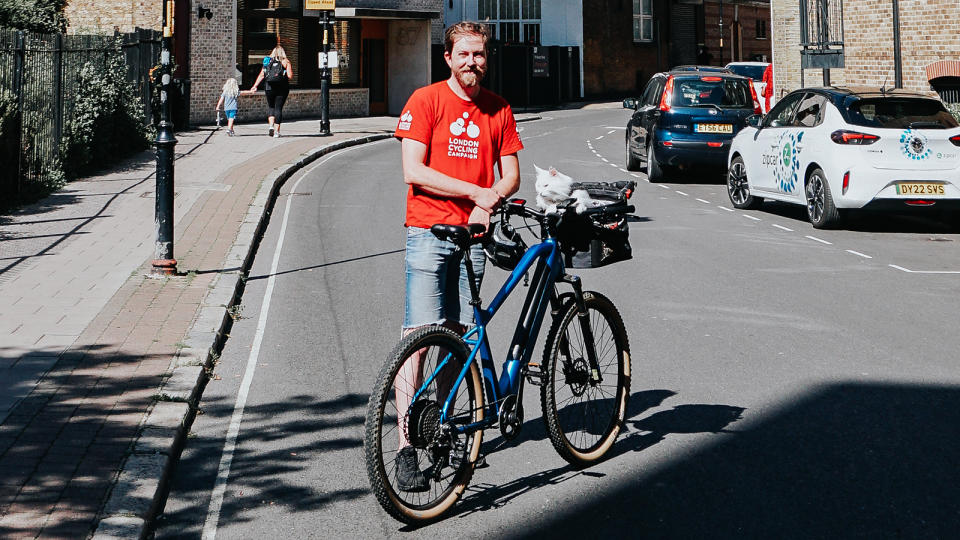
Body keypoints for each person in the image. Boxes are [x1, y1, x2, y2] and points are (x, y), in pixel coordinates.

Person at [392, 21, 523, 492]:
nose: (473, 62)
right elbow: (414, 170)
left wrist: (490, 199)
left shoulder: (499, 109)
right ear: (446, 57)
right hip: (428, 230)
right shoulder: (424, 101)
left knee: (460, 338)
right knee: (421, 338)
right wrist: (479, 194)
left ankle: (443, 430)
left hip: (474, 238)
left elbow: (512, 175)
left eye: (480, 54)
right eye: (464, 54)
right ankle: (407, 445)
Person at [244, 46, 292, 137]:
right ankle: (277, 132)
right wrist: (284, 73)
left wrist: (254, 86)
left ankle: (271, 126)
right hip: (282, 88)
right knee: (278, 108)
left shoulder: (267, 62)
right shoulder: (286, 61)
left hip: (269, 87)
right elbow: (290, 76)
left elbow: (262, 75)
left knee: (271, 107)